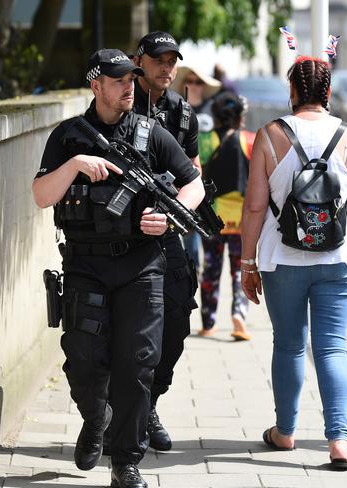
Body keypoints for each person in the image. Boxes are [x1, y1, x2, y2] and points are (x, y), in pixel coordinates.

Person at [32, 49, 204, 488]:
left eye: (131, 79)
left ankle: (126, 463)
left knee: (138, 364)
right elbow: (41, 195)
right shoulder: (68, 137)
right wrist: (73, 166)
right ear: (96, 85)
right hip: (85, 265)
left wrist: (170, 216)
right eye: (118, 80)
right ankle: (95, 418)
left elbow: (194, 184)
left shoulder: (152, 133)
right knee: (85, 360)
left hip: (141, 265)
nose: (129, 86)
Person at [240, 56, 347, 469]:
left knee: (289, 344)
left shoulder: (270, 134)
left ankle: (285, 432)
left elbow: (254, 207)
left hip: (282, 259)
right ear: (329, 93)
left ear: (293, 91)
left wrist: (247, 263)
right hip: (338, 259)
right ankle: (338, 442)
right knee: (332, 347)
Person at [119, 31, 200, 453]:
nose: (166, 68)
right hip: (121, 234)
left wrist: (177, 208)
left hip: (167, 233)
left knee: (176, 322)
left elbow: (194, 174)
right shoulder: (120, 100)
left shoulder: (183, 114)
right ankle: (120, 412)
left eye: (172, 61)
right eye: (158, 60)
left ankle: (148, 403)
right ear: (140, 61)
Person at [198, 92, 253, 340]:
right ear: (240, 117)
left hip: (212, 219)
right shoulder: (249, 140)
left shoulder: (205, 141)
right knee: (241, 270)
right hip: (242, 219)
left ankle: (208, 322)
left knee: (210, 270)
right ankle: (239, 315)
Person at [171, 66, 222, 266]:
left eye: (198, 81)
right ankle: (192, 272)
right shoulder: (175, 110)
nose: (193, 85)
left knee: (211, 234)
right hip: (185, 178)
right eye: (189, 81)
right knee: (188, 232)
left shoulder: (213, 109)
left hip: (213, 180)